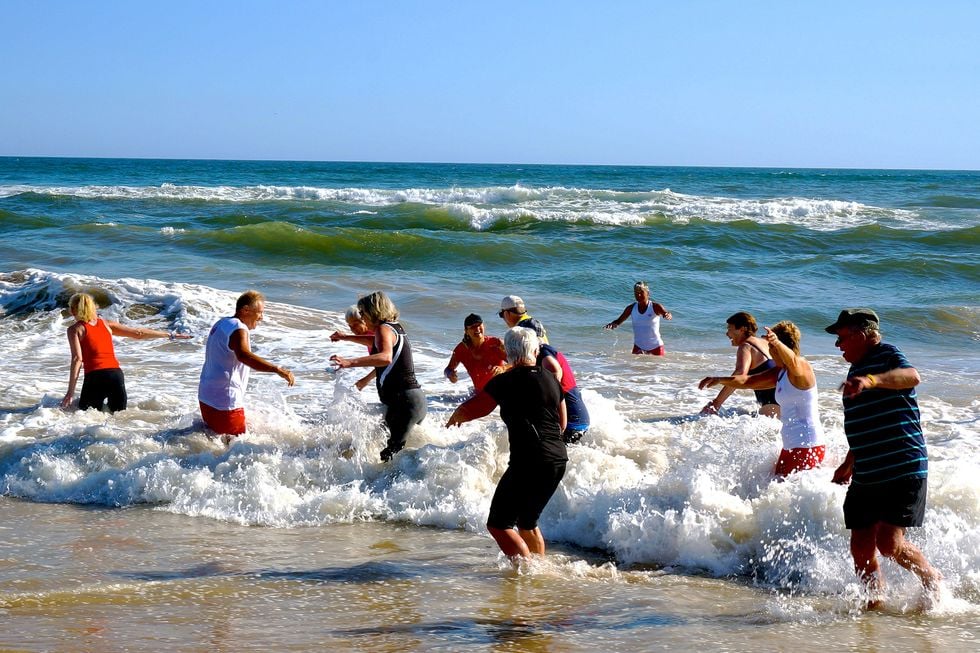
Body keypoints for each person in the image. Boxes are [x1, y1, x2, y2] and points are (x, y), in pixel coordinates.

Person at [825, 308, 941, 608]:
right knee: (861, 547)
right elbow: (865, 421)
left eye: (842, 337)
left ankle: (931, 577)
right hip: (867, 471)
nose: (838, 346)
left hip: (902, 465)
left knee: (888, 544)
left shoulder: (888, 354)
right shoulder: (854, 371)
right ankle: (873, 604)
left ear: (863, 334)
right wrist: (849, 463)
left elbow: (912, 376)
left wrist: (871, 381)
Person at [447, 327, 567, 558]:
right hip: (557, 459)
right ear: (535, 349)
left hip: (528, 461)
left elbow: (479, 407)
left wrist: (456, 416)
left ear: (509, 353)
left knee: (499, 524)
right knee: (527, 523)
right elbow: (562, 423)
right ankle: (538, 571)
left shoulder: (504, 381)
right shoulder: (551, 379)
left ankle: (526, 571)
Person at [698, 321, 825, 477]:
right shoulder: (780, 372)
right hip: (792, 445)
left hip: (807, 445)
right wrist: (720, 379)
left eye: (772, 347)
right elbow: (747, 381)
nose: (770, 352)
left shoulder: (801, 367)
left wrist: (776, 342)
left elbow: (792, 360)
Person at [330, 291, 427, 462]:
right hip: (411, 402)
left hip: (405, 403)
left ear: (373, 311)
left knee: (390, 458)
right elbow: (372, 342)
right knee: (395, 455)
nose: (362, 317)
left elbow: (385, 357)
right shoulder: (394, 327)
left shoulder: (384, 328)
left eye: (363, 313)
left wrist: (349, 362)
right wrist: (345, 337)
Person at [61, 292, 190, 413]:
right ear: (93, 308)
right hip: (116, 376)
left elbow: (77, 359)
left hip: (95, 378)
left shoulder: (75, 329)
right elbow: (138, 333)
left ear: (73, 310)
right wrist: (170, 335)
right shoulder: (107, 324)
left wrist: (70, 392)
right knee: (119, 419)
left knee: (83, 416)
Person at [198, 290, 295, 439]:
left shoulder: (222, 323)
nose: (262, 317)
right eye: (260, 312)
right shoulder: (238, 328)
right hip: (225, 401)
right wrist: (276, 369)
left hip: (207, 396)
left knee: (217, 442)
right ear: (245, 310)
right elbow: (244, 356)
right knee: (236, 448)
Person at [701, 311, 781, 418]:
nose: (727, 333)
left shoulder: (746, 345)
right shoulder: (765, 342)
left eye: (729, 329)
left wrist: (716, 403)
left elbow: (740, 375)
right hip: (785, 400)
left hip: (772, 404)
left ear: (742, 330)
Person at [603, 281, 672, 355]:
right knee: (633, 366)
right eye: (636, 293)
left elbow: (666, 313)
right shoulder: (631, 308)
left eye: (641, 292)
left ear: (648, 293)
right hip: (638, 348)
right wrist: (612, 324)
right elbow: (618, 321)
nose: (638, 295)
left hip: (656, 348)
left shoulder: (655, 307)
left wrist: (668, 315)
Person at [444, 313, 508, 392]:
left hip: (502, 391)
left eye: (479, 325)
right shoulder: (462, 349)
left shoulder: (496, 343)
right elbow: (448, 369)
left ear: (483, 326)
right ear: (466, 331)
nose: (477, 329)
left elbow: (517, 362)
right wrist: (450, 374)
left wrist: (503, 368)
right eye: (473, 327)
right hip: (479, 393)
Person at [329, 305, 376, 391]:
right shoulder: (368, 334)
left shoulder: (375, 334)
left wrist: (364, 381)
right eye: (350, 326)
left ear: (365, 320)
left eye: (355, 324)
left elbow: (384, 362)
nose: (353, 329)